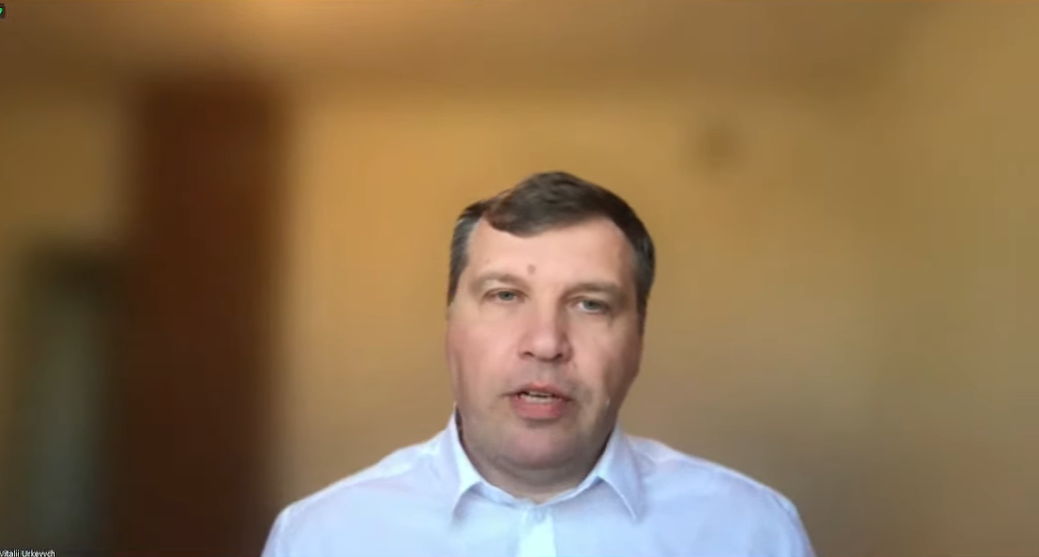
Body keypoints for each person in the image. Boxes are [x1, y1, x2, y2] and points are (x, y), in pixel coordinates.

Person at [261, 172, 816, 557]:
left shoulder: (753, 532)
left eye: (590, 304)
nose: (546, 343)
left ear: (638, 341)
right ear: (450, 326)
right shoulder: (321, 538)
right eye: (505, 296)